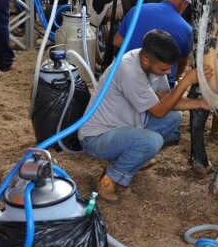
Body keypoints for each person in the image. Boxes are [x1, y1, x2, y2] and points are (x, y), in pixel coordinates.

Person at [78, 29, 210, 203]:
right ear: (147, 59)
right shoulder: (129, 70)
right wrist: (186, 81)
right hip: (97, 137)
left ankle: (135, 158)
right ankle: (108, 179)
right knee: (152, 141)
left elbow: (165, 100)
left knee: (174, 118)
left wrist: (200, 104)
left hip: (124, 129)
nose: (169, 72)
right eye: (164, 68)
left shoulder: (150, 64)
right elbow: (159, 111)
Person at [113, 0, 193, 87]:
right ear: (184, 4)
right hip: (159, 88)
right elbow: (182, 64)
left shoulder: (136, 10)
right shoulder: (186, 29)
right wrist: (175, 78)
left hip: (126, 78)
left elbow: (116, 42)